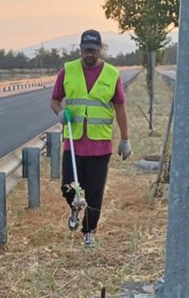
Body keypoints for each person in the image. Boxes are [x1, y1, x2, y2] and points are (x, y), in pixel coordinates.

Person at [50, 29, 130, 247]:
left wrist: (125, 138)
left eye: (93, 51)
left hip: (100, 146)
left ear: (100, 49)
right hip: (74, 144)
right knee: (69, 187)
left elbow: (120, 107)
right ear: (80, 49)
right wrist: (59, 112)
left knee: (95, 192)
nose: (89, 55)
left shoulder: (112, 74)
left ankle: (89, 231)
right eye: (85, 50)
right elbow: (55, 99)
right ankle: (75, 207)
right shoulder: (67, 70)